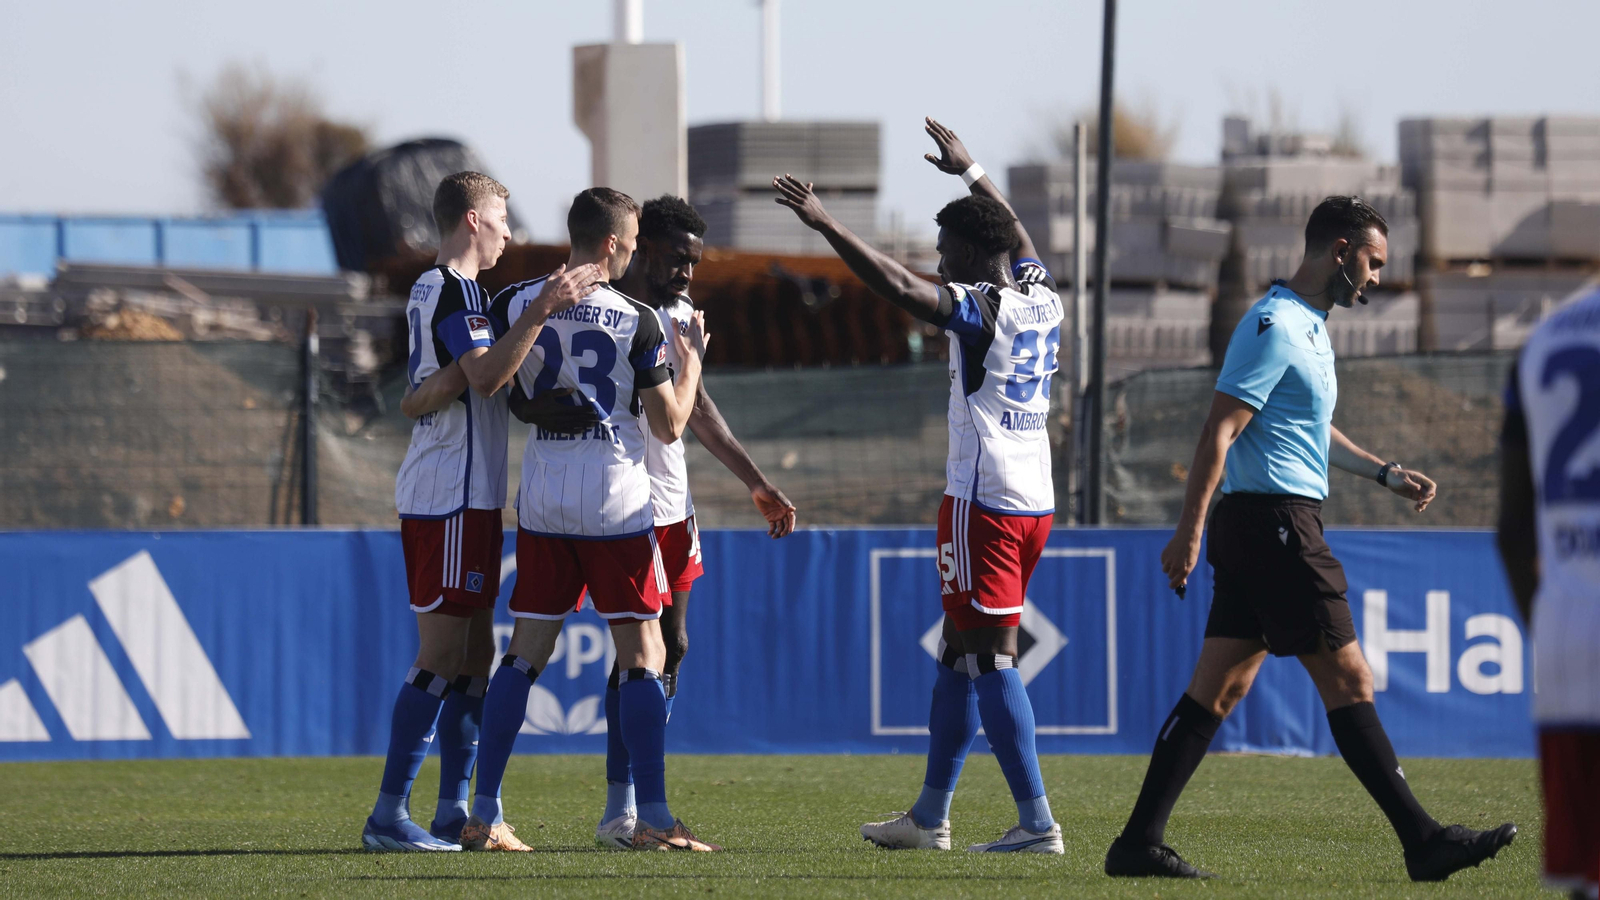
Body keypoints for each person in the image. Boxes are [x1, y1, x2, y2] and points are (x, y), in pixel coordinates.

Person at [1104, 195, 1517, 881]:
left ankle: (1137, 843)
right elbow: (1220, 430)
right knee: (1350, 676)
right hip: (1275, 527)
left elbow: (1308, 430)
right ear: (1341, 250)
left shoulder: (1310, 328)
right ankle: (1424, 842)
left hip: (1268, 524)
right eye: (1374, 262)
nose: (1379, 277)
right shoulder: (1273, 326)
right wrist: (1188, 531)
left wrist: (1383, 473)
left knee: (1219, 689)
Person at [775, 118, 1064, 854]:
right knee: (958, 655)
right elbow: (1020, 234)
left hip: (983, 504)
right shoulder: (1040, 292)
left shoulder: (984, 311)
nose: (939, 262)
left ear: (967, 252)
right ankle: (930, 817)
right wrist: (972, 173)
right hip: (1034, 501)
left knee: (991, 657)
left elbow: (901, 288)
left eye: (944, 250)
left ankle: (1036, 824)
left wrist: (825, 223)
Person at [459, 187, 718, 852]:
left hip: (543, 482)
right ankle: (653, 817)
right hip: (613, 487)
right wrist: (690, 369)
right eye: (629, 245)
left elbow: (490, 377)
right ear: (609, 244)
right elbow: (668, 425)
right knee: (644, 651)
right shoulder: (637, 317)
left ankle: (484, 810)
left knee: (524, 652)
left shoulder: (514, 301)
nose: (631, 256)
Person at [362, 172, 601, 852]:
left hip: (469, 496)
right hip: (447, 496)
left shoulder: (456, 295)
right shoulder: (454, 288)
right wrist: (542, 308)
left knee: (474, 656)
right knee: (440, 655)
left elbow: (436, 388)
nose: (509, 232)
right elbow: (486, 376)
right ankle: (387, 816)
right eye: (501, 218)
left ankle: (454, 813)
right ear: (471, 219)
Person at [591, 194, 798, 849]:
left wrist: (756, 482)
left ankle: (636, 802)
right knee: (638, 652)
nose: (686, 272)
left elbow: (698, 408)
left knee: (673, 645)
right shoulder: (616, 311)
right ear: (643, 245)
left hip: (677, 505)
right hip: (630, 503)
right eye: (677, 257)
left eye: (695, 261)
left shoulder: (680, 315)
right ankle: (624, 808)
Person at [1497, 284, 1600, 900]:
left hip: (1569, 640)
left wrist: (1553, 633)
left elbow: (1511, 532)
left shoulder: (1545, 339)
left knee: (1584, 876)